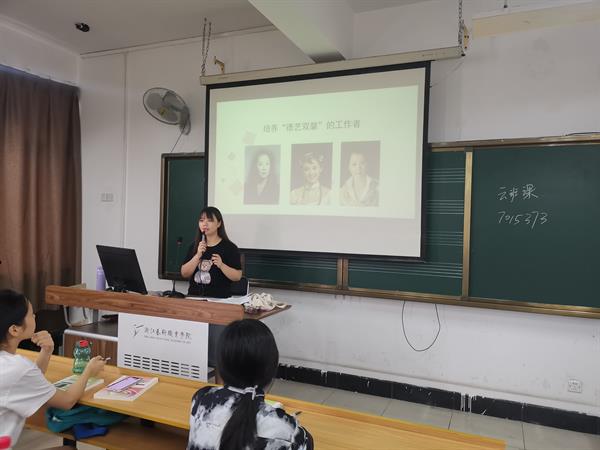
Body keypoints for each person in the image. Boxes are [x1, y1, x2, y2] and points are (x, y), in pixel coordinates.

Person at [0, 289, 106, 448]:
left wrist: (47, 350)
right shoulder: (17, 366)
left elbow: (29, 382)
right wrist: (89, 370)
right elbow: (67, 401)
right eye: (31, 315)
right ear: (14, 329)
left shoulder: (14, 366)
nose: (35, 316)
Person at [187, 320, 313, 450]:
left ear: (221, 365)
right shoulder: (287, 428)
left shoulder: (201, 399)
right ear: (271, 369)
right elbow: (307, 443)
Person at [181, 206, 242, 299]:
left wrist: (221, 265)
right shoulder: (195, 246)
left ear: (219, 223)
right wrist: (197, 255)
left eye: (209, 220)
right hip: (194, 298)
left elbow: (237, 276)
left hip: (219, 300)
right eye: (201, 220)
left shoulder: (230, 247)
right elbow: (184, 273)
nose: (205, 224)